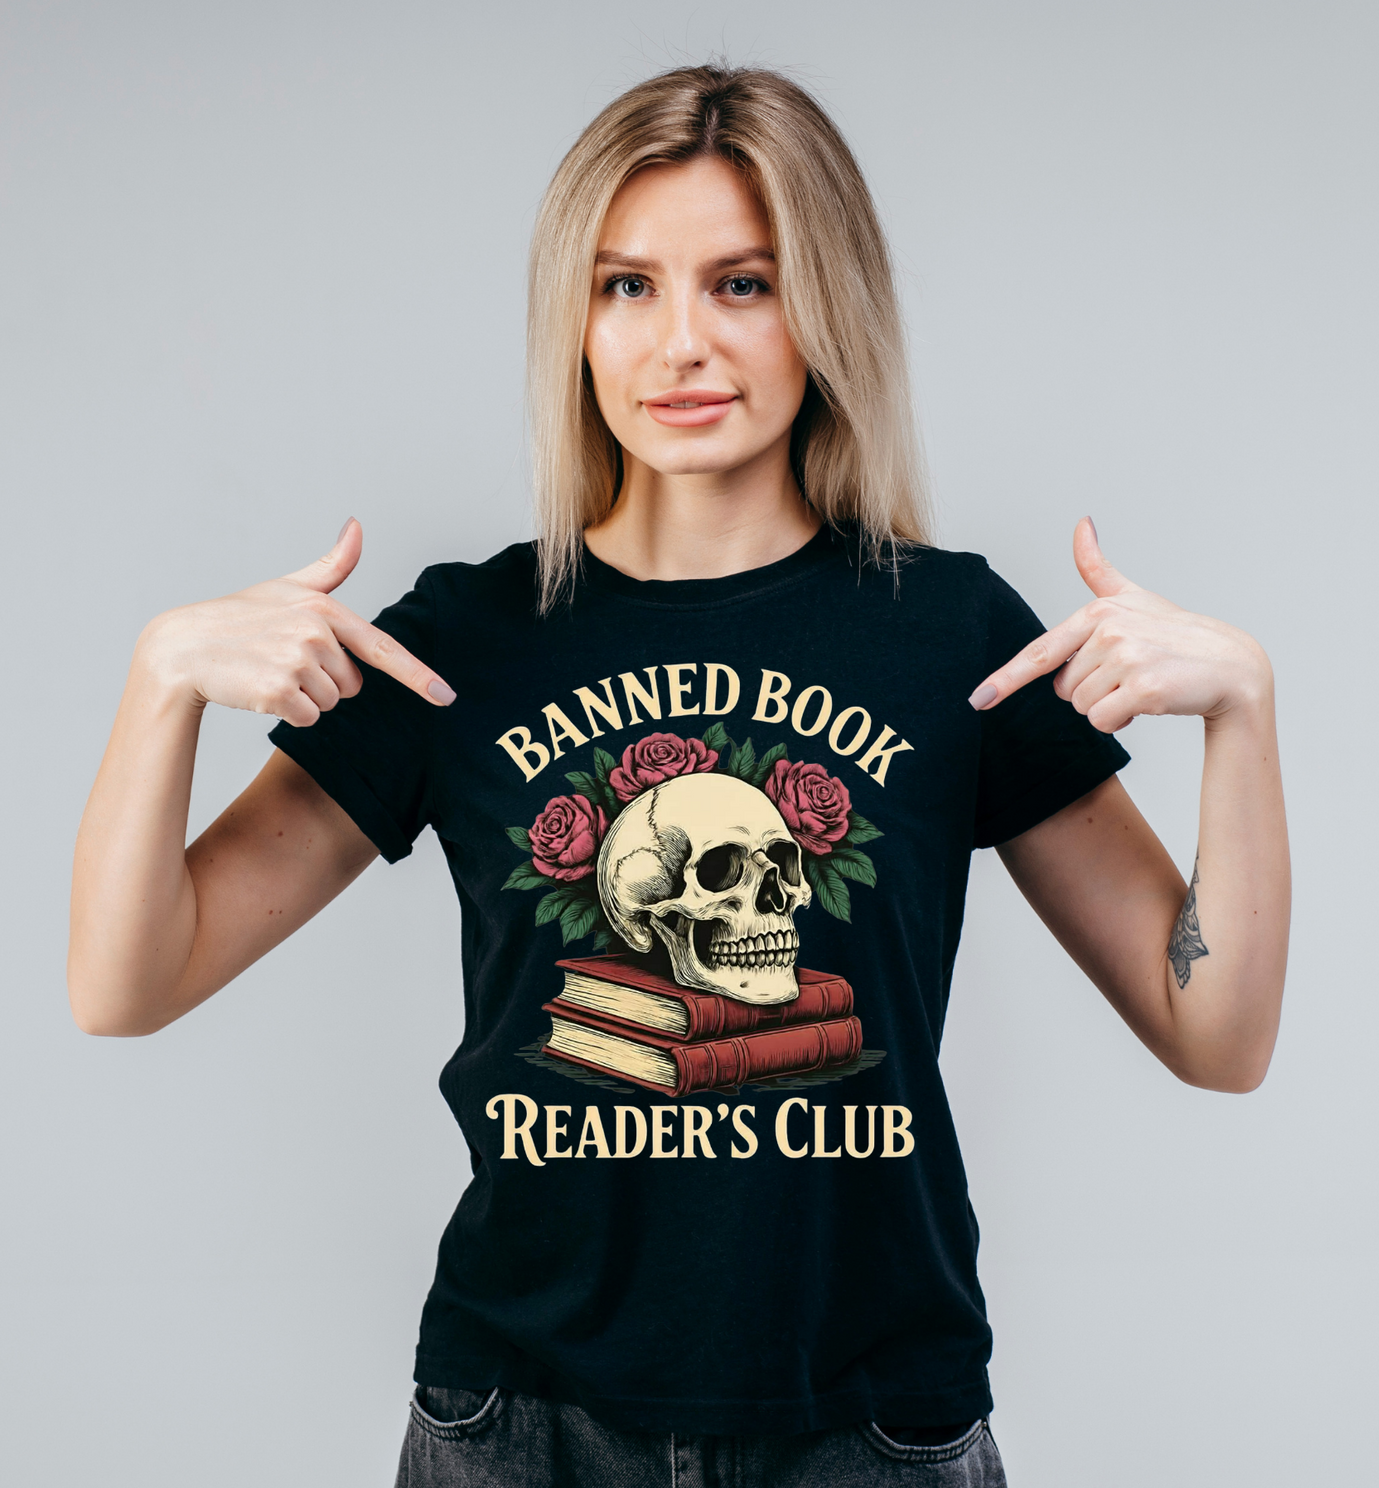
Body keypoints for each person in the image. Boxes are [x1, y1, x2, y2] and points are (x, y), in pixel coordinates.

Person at [67, 64, 1289, 1488]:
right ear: (573, 321)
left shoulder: (948, 635)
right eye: (628, 287)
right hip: (519, 1428)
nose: (682, 345)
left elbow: (1217, 1037)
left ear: (826, 306)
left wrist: (1244, 720)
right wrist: (160, 683)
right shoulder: (466, 639)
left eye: (744, 284)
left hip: (869, 1429)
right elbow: (125, 985)